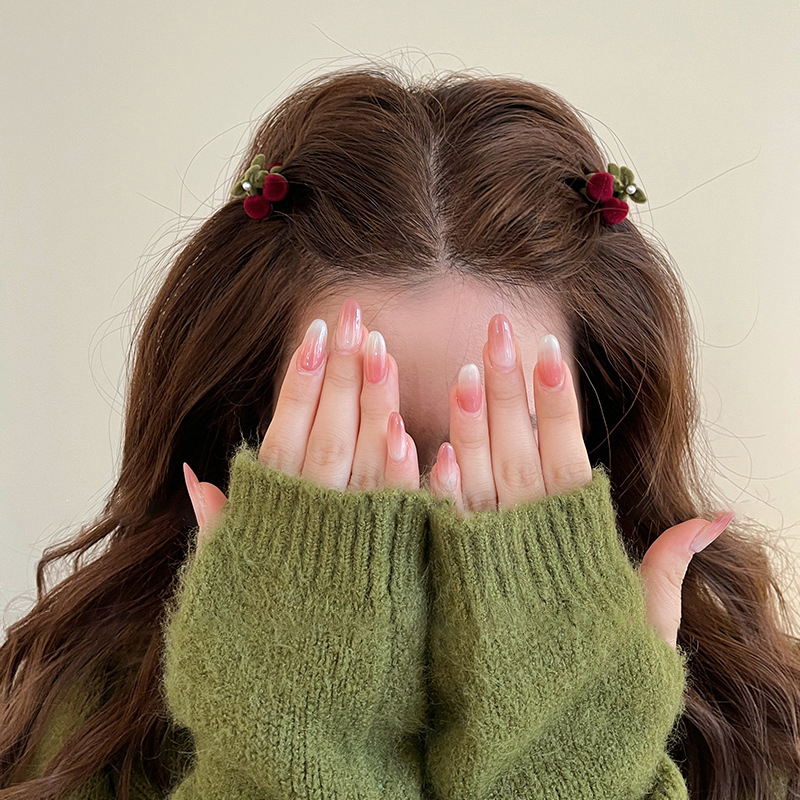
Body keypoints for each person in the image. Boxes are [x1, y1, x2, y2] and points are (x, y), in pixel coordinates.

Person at [1, 63, 798, 800]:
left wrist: (567, 750)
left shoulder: (765, 739)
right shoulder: (66, 734)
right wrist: (291, 741)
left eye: (503, 445)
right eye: (360, 438)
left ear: (598, 446)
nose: (434, 495)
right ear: (244, 440)